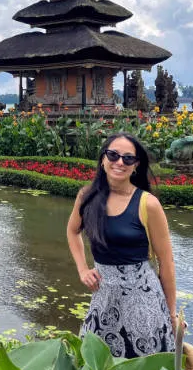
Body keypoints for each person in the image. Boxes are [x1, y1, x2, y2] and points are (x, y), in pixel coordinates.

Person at [67, 132, 177, 357]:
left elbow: (166, 264)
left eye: (128, 158)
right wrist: (82, 269)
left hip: (143, 302)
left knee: (142, 368)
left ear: (136, 165)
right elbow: (72, 231)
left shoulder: (148, 204)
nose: (119, 162)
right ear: (103, 159)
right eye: (113, 155)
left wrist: (172, 315)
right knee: (94, 365)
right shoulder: (86, 197)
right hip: (104, 298)